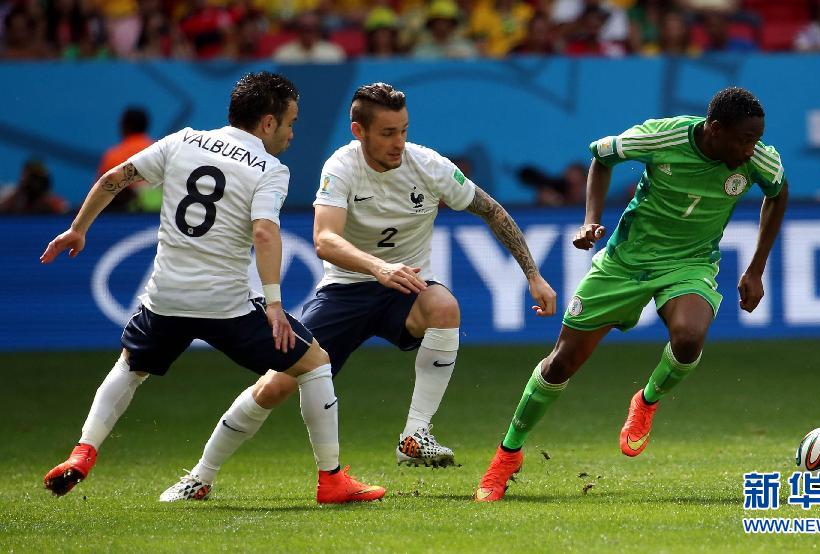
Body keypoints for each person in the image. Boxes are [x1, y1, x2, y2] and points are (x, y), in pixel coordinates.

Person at [168, 82, 557, 496]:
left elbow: (492, 211)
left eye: (404, 130)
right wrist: (378, 267)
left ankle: (415, 434)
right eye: (388, 133)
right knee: (276, 384)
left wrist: (532, 274)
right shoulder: (341, 167)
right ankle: (200, 476)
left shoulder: (429, 166)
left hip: (403, 289)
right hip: (345, 291)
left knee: (444, 307)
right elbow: (324, 240)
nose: (399, 143)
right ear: (359, 131)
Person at [40, 71, 384, 505]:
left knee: (130, 367)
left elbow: (116, 177)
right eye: (291, 122)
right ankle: (331, 479)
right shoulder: (269, 169)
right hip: (228, 306)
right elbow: (263, 232)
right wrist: (275, 304)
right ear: (267, 123)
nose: (293, 133)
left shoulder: (182, 140)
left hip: (166, 298)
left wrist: (77, 229)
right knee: (315, 363)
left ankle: (83, 453)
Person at [475, 86, 789, 502]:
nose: (752, 150)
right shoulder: (663, 137)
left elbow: (778, 193)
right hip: (624, 262)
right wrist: (590, 220)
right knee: (561, 364)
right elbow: (601, 156)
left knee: (690, 337)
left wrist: (756, 268)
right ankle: (508, 454)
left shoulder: (759, 159)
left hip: (689, 264)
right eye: (745, 139)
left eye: (756, 139)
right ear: (715, 129)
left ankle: (646, 401)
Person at [97, 107, 157, 212]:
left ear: (125, 126)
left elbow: (99, 196)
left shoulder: (114, 156)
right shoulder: (161, 153)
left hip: (126, 219)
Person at [0, 157, 69, 214]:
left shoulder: (51, 202)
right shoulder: (12, 196)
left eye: (39, 178)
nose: (36, 183)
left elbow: (66, 212)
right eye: (33, 177)